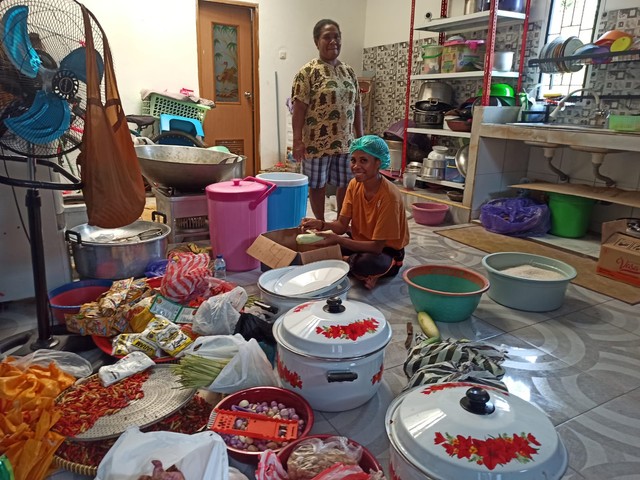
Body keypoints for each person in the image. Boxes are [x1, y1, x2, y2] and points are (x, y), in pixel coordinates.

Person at [299, 135, 410, 290]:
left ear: (378, 163)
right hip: (361, 242)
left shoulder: (389, 197)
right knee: (319, 247)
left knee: (364, 263)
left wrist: (338, 240)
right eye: (353, 160)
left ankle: (364, 267)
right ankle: (353, 266)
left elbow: (377, 247)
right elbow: (342, 225)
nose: (356, 166)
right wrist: (322, 224)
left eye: (363, 160)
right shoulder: (354, 185)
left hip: (385, 251)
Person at [291, 18, 363, 221]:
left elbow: (357, 106)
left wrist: (361, 138)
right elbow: (299, 110)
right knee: (317, 185)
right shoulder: (307, 73)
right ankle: (320, 223)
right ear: (317, 42)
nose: (333, 42)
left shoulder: (349, 71)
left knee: (347, 183)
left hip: (346, 142)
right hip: (316, 142)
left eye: (337, 37)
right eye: (327, 37)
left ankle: (341, 222)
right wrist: (297, 141)